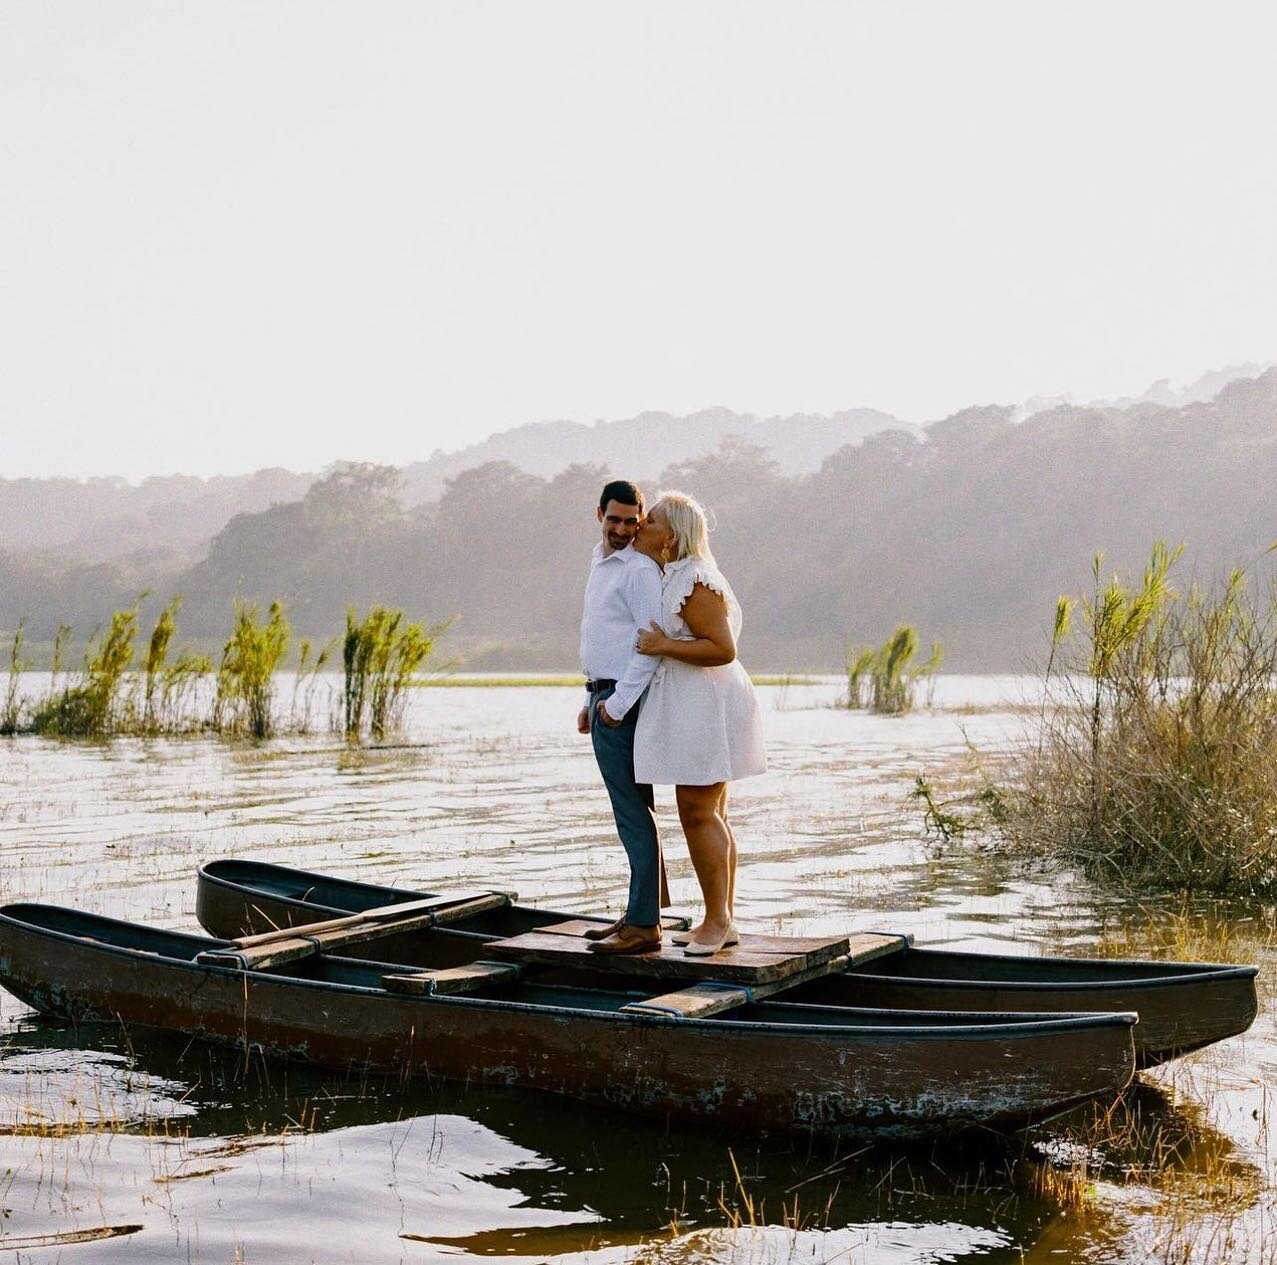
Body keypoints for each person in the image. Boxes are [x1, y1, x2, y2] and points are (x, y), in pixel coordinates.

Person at [627, 491, 766, 955]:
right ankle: (722, 920)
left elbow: (723, 649)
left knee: (698, 811)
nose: (641, 525)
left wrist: (663, 645)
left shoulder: (696, 580)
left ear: (672, 536)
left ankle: (717, 920)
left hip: (708, 702)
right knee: (711, 811)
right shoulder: (674, 574)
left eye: (651, 521)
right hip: (694, 702)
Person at [577, 479, 666, 955]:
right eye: (614, 519)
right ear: (599, 515)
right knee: (632, 811)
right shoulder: (601, 562)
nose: (623, 529)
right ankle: (638, 913)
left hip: (621, 704)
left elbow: (648, 646)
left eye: (632, 521)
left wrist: (615, 704)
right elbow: (602, 636)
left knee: (632, 813)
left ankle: (646, 925)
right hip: (603, 696)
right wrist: (587, 697)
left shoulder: (637, 571)